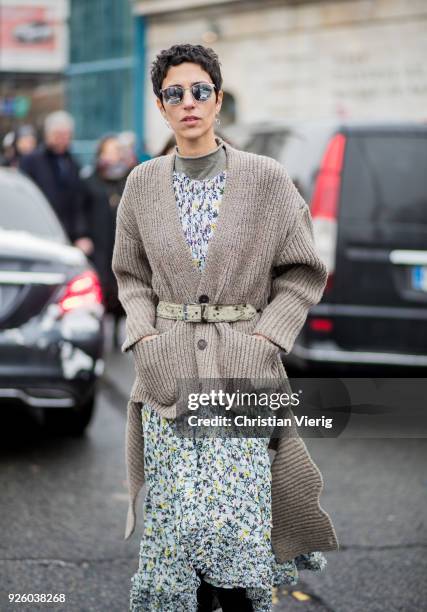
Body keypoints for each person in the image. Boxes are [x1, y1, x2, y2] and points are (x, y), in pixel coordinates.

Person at [112, 43, 339, 612]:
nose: (187, 102)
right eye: (173, 93)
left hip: (243, 376)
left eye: (199, 91)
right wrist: (144, 338)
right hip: (168, 380)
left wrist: (267, 338)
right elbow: (130, 274)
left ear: (218, 99)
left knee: (238, 538)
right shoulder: (142, 183)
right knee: (176, 536)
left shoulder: (266, 179)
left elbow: (303, 270)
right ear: (161, 108)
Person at [19, 111, 93, 255]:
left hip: (67, 234)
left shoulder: (72, 163)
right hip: (38, 232)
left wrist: (81, 234)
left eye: (67, 135)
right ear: (48, 135)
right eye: (59, 135)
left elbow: (78, 202)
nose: (63, 139)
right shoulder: (31, 161)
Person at [83, 134, 128, 348]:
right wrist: (81, 235)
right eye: (108, 151)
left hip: (120, 240)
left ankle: (118, 332)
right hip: (98, 240)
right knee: (102, 286)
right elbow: (80, 209)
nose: (113, 156)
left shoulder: (127, 178)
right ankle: (99, 330)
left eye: (116, 151)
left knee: (121, 287)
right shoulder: (90, 179)